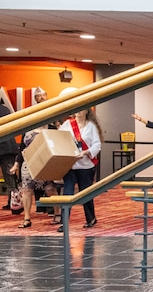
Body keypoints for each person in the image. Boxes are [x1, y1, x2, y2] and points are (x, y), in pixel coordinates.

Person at [9, 89, 60, 228]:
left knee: (50, 189)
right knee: (27, 190)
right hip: (28, 163)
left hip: (45, 163)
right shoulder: (29, 128)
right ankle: (27, 218)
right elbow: (22, 147)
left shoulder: (51, 127)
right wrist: (16, 164)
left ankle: (57, 214)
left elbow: (58, 143)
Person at [59, 103, 103, 230]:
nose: (78, 111)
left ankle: (91, 218)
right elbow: (59, 139)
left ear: (86, 111)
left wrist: (86, 152)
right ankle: (64, 222)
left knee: (85, 194)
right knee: (67, 193)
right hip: (70, 166)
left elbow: (97, 145)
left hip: (86, 166)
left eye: (81, 109)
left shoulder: (91, 127)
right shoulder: (67, 125)